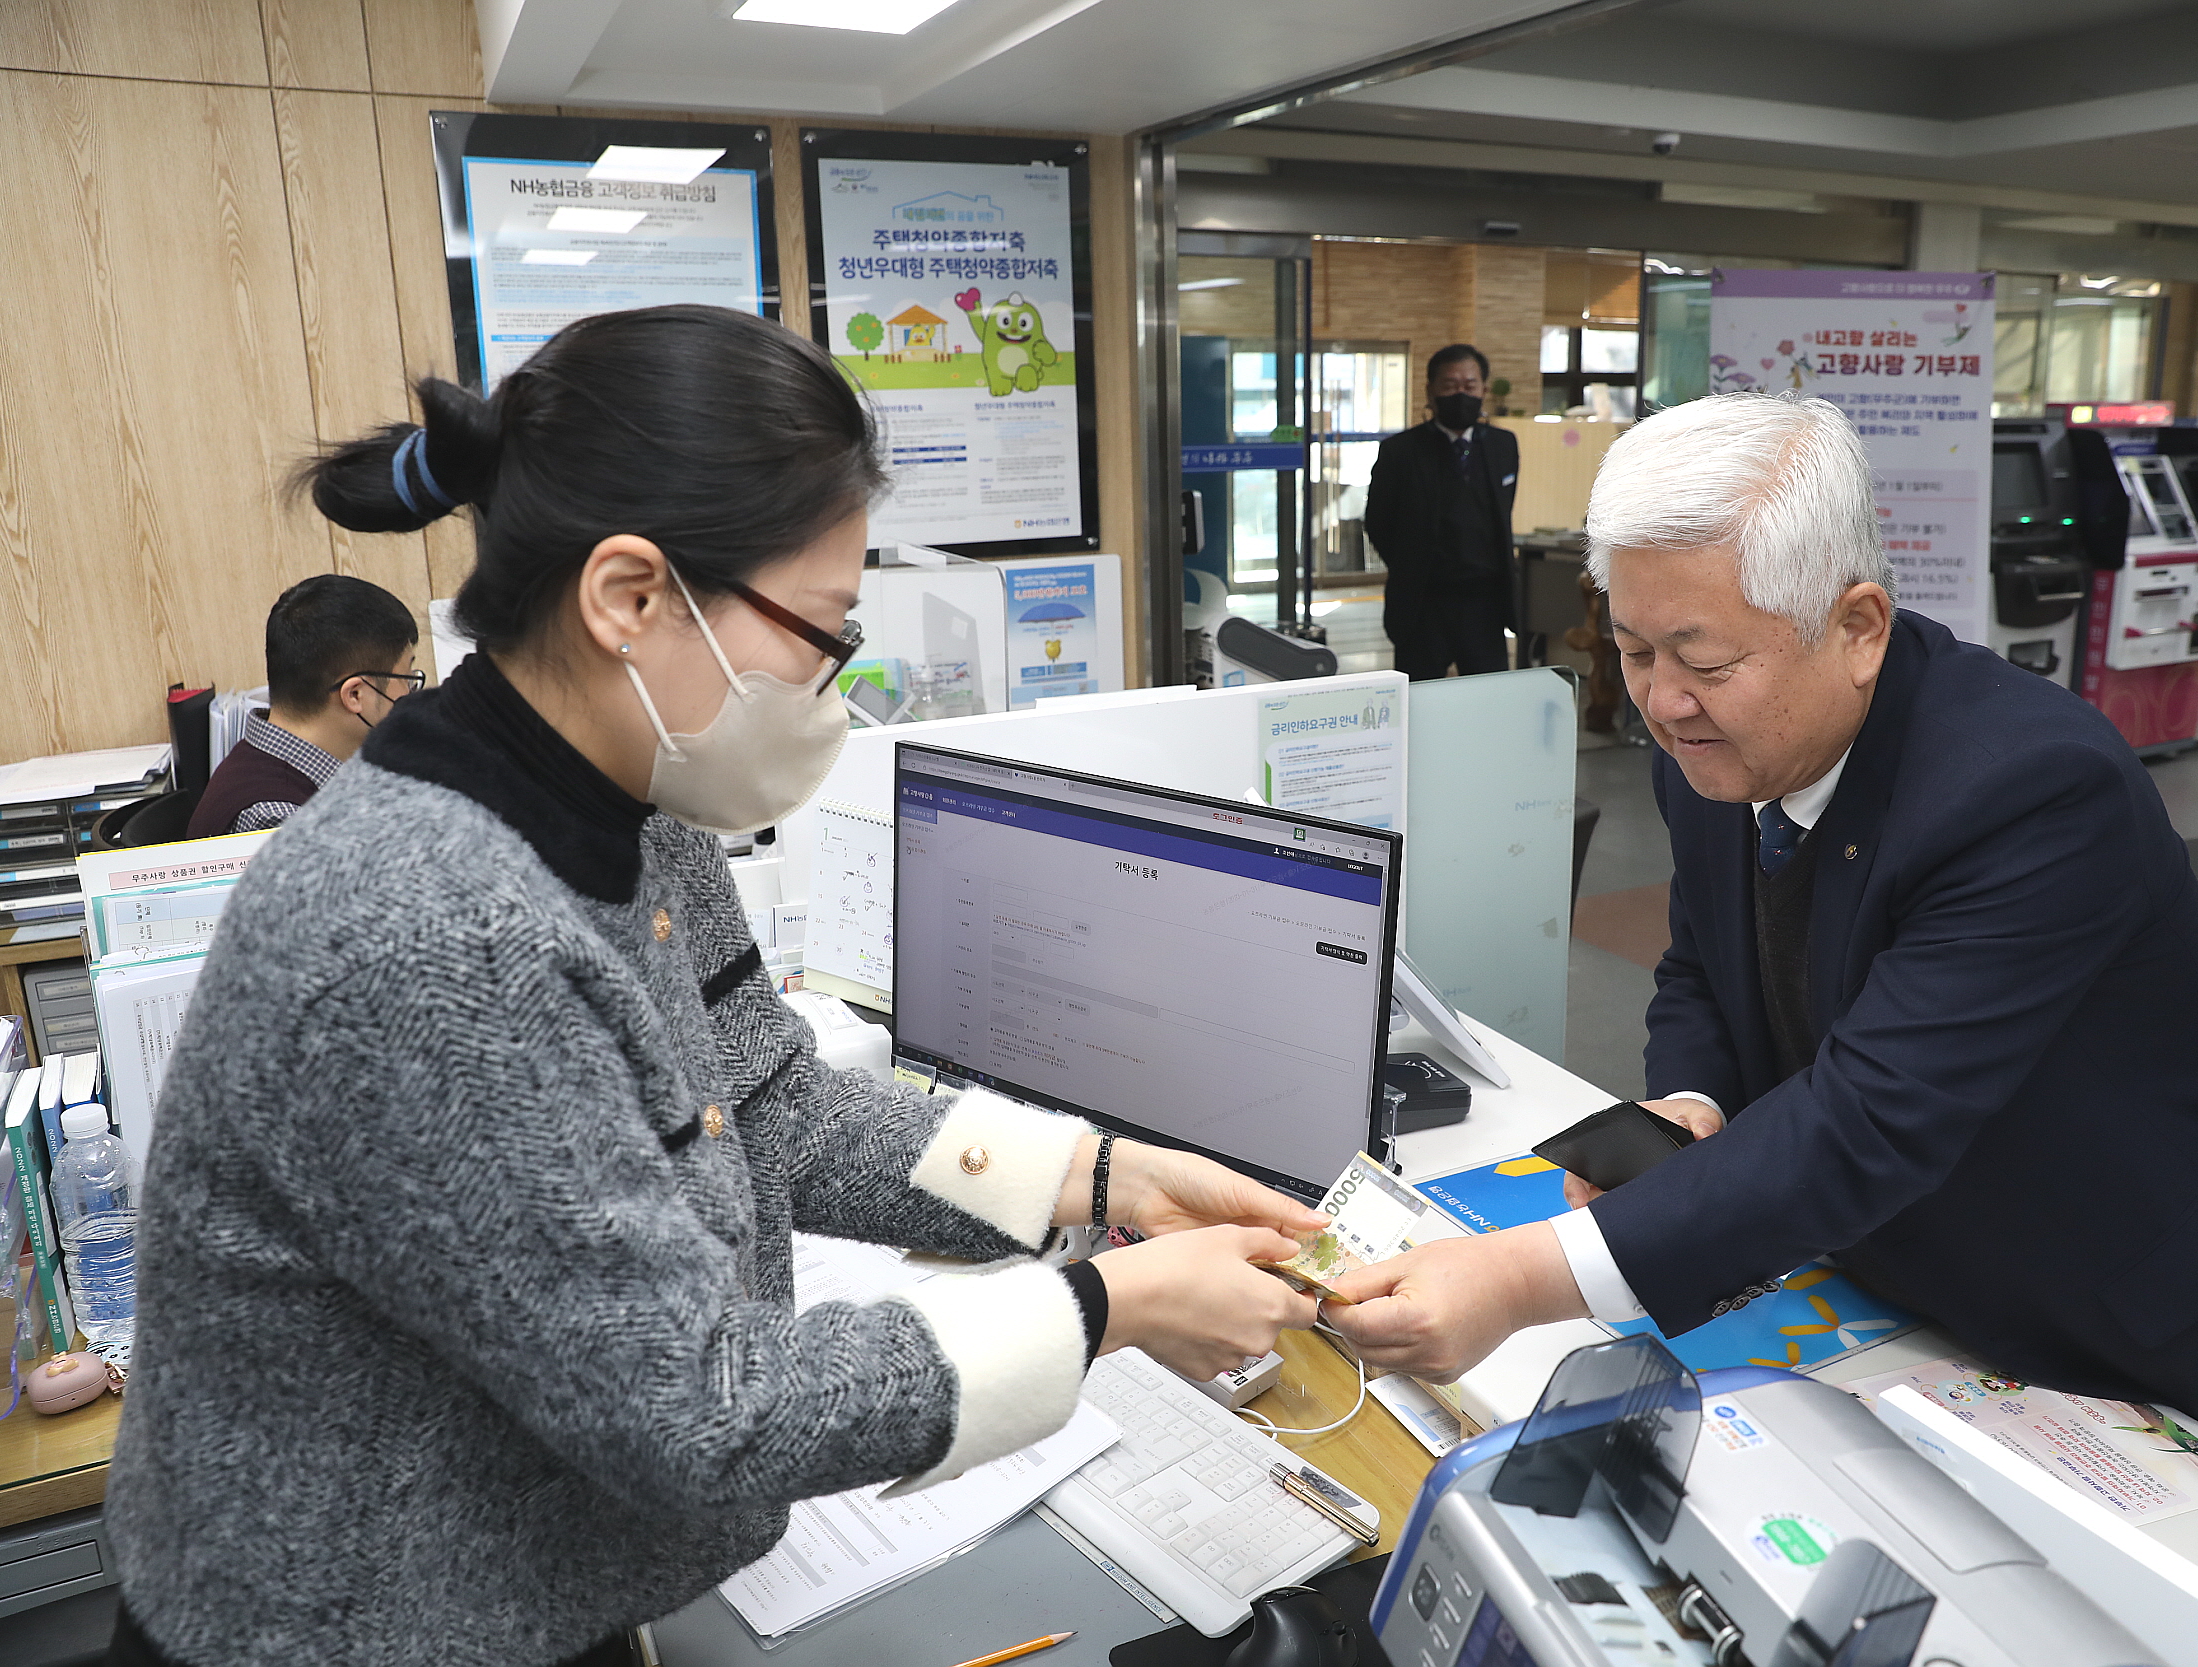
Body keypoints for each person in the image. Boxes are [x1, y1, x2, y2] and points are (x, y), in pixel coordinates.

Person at [106, 306, 1324, 1667]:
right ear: (630, 596)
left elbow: (774, 1104)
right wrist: (1108, 1305)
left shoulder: (632, 793)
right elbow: (690, 1399)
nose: (830, 683)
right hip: (353, 1626)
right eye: (819, 629)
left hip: (533, 1579)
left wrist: (1096, 1181)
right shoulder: (434, 936)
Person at [1329, 393, 2198, 1473]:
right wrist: (1692, 1103)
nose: (1662, 702)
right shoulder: (1716, 742)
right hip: (1900, 1292)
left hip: (2130, 1330)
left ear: (1855, 628)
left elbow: (1869, 1119)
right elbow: (1705, 959)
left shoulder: (2032, 790)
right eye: (1632, 647)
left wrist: (1517, 1279)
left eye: (1701, 661)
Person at [185, 574, 420, 838]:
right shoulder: (278, 819)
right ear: (355, 694)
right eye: (408, 678)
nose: (411, 692)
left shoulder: (275, 760)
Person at [1363, 344, 1520, 679]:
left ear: (1484, 390)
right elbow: (1377, 522)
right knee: (1419, 703)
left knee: (1488, 698)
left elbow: (1501, 514)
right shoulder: (1400, 452)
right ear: (1430, 391)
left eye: (1469, 386)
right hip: (1423, 603)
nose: (1460, 394)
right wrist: (1410, 563)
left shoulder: (1503, 445)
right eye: (1450, 386)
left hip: (1485, 603)